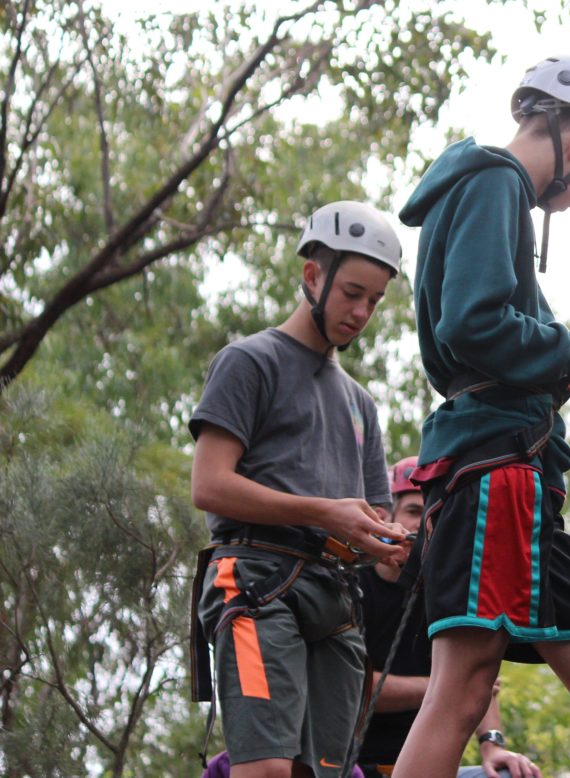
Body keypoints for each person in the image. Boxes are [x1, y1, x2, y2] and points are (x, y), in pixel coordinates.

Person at [392, 55, 570, 778]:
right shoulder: (497, 183)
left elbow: (480, 340)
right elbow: (471, 326)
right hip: (494, 474)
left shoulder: (481, 189)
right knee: (463, 689)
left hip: (518, 477)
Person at [189, 200, 411, 778]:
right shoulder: (249, 363)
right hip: (255, 588)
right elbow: (209, 485)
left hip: (334, 600)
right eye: (352, 293)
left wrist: (386, 540)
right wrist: (323, 513)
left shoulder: (360, 404)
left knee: (331, 774)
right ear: (313, 275)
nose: (362, 312)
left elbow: (371, 517)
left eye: (376, 301)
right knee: (264, 769)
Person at [356, 457, 541, 778]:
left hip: (431, 770)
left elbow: (479, 676)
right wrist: (446, 688)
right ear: (387, 519)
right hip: (353, 769)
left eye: (434, 512)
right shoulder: (355, 586)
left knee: (510, 776)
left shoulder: (448, 592)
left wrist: (492, 745)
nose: (424, 523)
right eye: (413, 511)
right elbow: (360, 690)